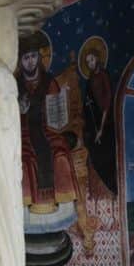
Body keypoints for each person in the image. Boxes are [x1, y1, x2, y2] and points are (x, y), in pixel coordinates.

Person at [17, 32, 80, 216]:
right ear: (21, 61)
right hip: (23, 132)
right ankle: (28, 210)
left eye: (33, 56)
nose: (30, 61)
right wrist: (19, 110)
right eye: (26, 57)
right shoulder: (16, 84)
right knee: (26, 158)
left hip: (47, 131)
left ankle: (63, 207)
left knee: (60, 152)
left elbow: (59, 115)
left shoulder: (49, 81)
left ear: (39, 57)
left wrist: (60, 117)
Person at [79, 39, 118, 195]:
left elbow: (107, 102)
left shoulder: (103, 76)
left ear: (98, 59)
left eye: (92, 59)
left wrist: (101, 129)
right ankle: (102, 186)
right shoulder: (89, 81)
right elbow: (87, 102)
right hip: (93, 126)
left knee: (106, 155)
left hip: (105, 125)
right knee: (94, 153)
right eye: (87, 61)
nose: (90, 63)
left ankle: (112, 187)